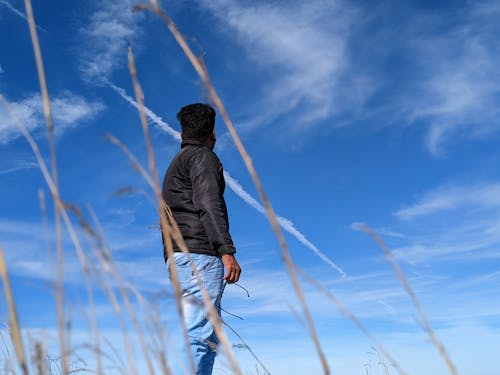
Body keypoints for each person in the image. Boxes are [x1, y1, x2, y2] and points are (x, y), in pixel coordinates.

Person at [161, 103, 241, 375]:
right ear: (213, 133)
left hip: (179, 259)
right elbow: (208, 203)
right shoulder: (202, 157)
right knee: (200, 337)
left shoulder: (176, 165)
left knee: (198, 335)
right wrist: (226, 250)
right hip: (200, 256)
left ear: (182, 132)